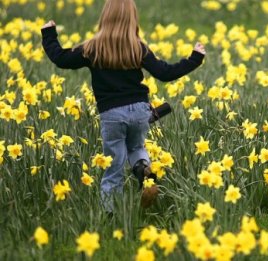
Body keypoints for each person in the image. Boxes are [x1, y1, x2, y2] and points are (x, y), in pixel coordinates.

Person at [41, 0, 205, 212]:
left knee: (114, 167)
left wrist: (49, 34)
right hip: (139, 110)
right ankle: (144, 170)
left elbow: (61, 59)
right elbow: (165, 73)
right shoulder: (138, 48)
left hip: (112, 114)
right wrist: (195, 58)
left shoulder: (92, 48)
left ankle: (111, 215)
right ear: (132, 19)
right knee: (136, 147)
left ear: (105, 18)